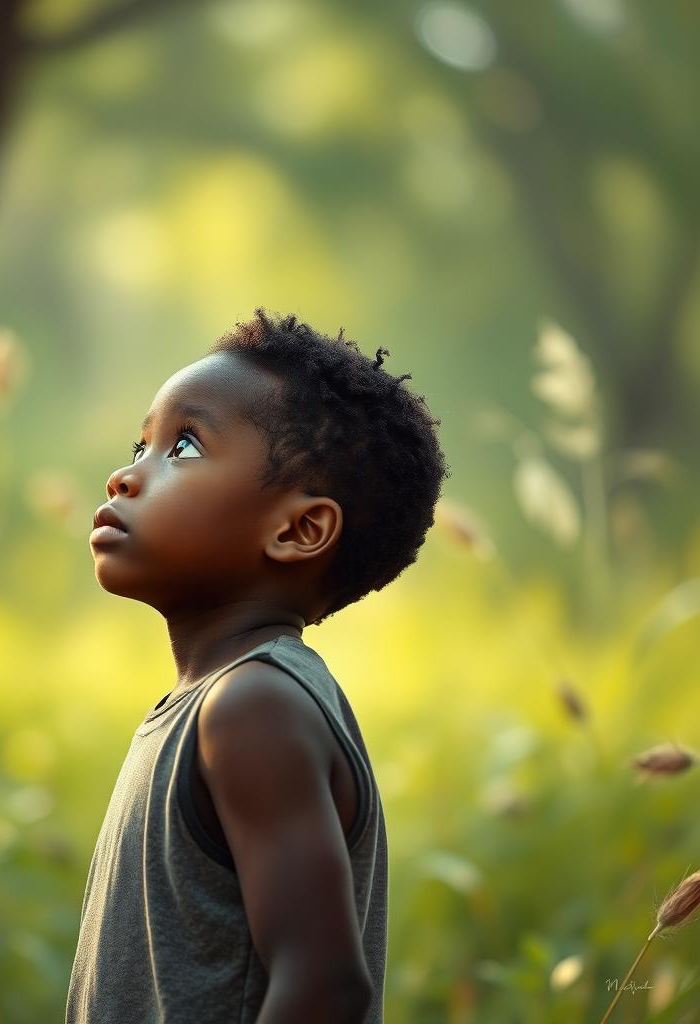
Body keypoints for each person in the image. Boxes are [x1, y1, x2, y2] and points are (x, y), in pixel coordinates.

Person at [66, 308, 450, 1023]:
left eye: (181, 448)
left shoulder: (253, 709)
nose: (124, 477)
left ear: (298, 530)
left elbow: (325, 987)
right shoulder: (213, 705)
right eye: (139, 443)